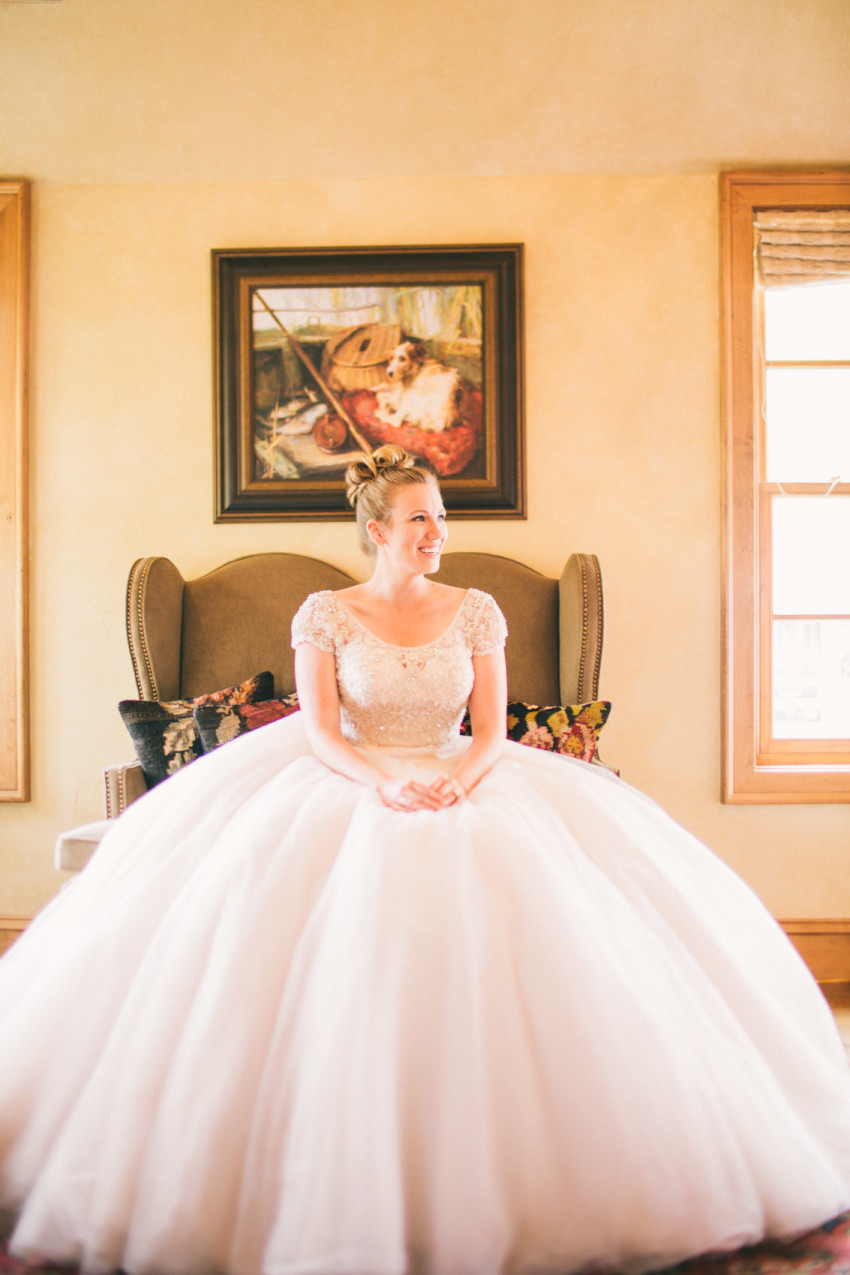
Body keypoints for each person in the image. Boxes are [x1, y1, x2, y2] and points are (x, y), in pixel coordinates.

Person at [1, 444, 850, 1275]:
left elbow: (490, 731)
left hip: (464, 773)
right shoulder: (324, 613)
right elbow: (322, 731)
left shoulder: (478, 608)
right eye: (419, 519)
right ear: (378, 530)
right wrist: (388, 781)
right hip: (351, 774)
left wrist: (455, 779)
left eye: (440, 517)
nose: (436, 533)